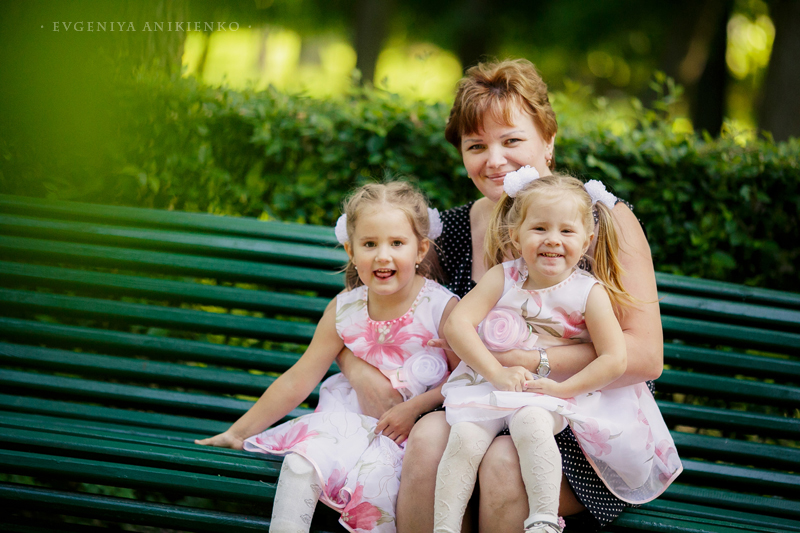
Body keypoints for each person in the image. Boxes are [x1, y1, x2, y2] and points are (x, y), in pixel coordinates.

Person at [336, 58, 665, 532]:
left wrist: (529, 361)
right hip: (482, 398)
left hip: (582, 412)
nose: (494, 160)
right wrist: (356, 367)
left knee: (505, 466)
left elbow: (646, 356)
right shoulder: (449, 231)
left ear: (548, 140)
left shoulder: (600, 221)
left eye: (511, 141)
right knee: (427, 443)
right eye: (476, 146)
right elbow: (360, 309)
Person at [196, 181, 459, 533]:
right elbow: (299, 378)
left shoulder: (442, 308)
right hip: (345, 422)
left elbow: (464, 378)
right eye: (369, 244)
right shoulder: (344, 308)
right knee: (302, 463)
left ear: (420, 249)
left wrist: (415, 408)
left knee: (378, 484)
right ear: (351, 250)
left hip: (410, 435)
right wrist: (237, 433)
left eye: (397, 243)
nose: (382, 255)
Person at [433, 170, 681, 533]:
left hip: (555, 390)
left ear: (586, 240)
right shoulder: (503, 277)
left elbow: (615, 359)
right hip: (494, 383)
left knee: (532, 422)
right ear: (516, 235)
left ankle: (544, 520)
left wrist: (563, 389)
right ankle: (444, 527)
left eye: (566, 231)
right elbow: (457, 324)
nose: (552, 239)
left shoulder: (588, 293)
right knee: (464, 438)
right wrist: (496, 372)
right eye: (539, 228)